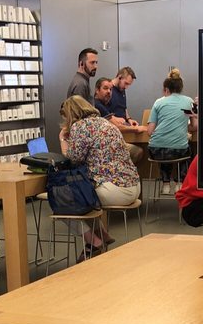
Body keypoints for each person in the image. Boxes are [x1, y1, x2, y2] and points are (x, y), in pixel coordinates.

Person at [59, 96, 140, 253]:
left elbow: (72, 159)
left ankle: (93, 241)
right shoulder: (105, 123)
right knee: (86, 195)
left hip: (115, 190)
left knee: (63, 198)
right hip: (133, 187)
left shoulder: (80, 126)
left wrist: (63, 139)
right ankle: (102, 234)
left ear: (71, 113)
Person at [147, 72, 195, 194]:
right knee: (184, 150)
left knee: (164, 149)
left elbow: (149, 131)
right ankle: (180, 183)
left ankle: (166, 184)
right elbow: (195, 126)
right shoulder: (189, 101)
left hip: (155, 151)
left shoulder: (158, 102)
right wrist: (183, 128)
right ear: (181, 88)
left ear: (166, 89)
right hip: (179, 151)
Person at [93, 77, 146, 164]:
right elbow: (117, 127)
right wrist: (136, 129)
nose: (109, 92)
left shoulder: (105, 105)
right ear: (97, 90)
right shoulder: (97, 105)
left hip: (108, 142)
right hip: (103, 146)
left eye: (110, 89)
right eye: (105, 88)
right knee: (137, 151)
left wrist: (127, 120)